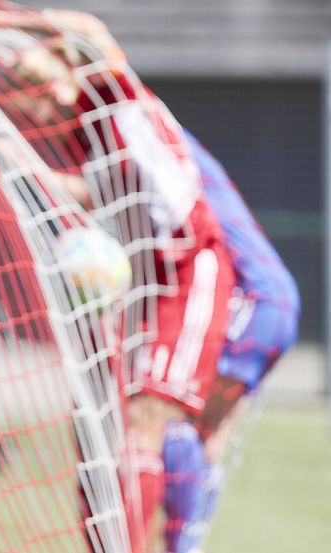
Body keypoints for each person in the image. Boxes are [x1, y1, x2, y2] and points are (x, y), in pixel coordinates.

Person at [0, 4, 235, 552]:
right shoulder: (87, 135)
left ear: (66, 69)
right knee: (97, 424)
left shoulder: (111, 96)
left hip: (189, 267)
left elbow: (92, 31)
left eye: (49, 79)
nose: (50, 98)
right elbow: (100, 191)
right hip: (142, 284)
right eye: (36, 93)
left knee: (144, 421)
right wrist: (19, 163)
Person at [161, 130, 299, 553]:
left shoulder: (157, 145)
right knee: (208, 436)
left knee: (178, 421)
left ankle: (180, 543)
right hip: (272, 298)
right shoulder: (179, 145)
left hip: (254, 300)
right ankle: (186, 541)